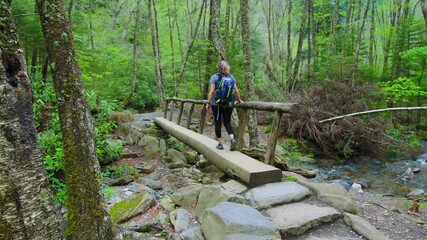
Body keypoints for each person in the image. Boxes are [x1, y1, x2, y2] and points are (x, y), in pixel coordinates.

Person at [206, 59, 243, 151]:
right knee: (227, 122)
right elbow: (236, 91)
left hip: (217, 104)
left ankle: (220, 144)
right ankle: (232, 139)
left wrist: (208, 102)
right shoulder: (231, 77)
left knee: (218, 123)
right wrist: (239, 100)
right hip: (229, 104)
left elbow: (211, 92)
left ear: (218, 67)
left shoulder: (215, 77)